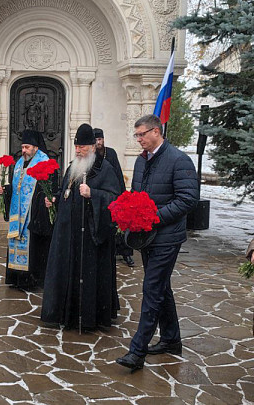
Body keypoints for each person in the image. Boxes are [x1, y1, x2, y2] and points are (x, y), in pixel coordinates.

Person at [116, 114, 199, 371]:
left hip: (167, 237)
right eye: (136, 135)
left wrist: (153, 217)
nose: (139, 139)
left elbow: (188, 199)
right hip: (147, 235)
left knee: (152, 288)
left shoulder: (179, 160)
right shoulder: (142, 161)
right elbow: (139, 195)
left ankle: (137, 351)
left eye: (142, 134)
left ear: (156, 132)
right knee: (161, 288)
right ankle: (172, 339)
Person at [40, 123, 120, 330]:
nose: (78, 151)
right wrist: (55, 199)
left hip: (90, 238)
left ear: (93, 147)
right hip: (68, 233)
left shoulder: (105, 169)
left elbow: (115, 199)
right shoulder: (72, 167)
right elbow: (65, 191)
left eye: (82, 147)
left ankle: (88, 317)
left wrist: (93, 194)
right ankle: (64, 313)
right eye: (76, 147)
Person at [0, 130, 57, 289]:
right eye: (22, 147)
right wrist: (5, 191)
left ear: (36, 148)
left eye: (27, 147)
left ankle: (31, 280)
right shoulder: (18, 164)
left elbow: (49, 189)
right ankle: (17, 279)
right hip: (19, 213)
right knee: (15, 243)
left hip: (34, 214)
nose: (23, 150)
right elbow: (16, 188)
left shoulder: (44, 162)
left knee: (34, 248)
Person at [94, 128, 134, 267]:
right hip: (100, 197)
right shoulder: (91, 155)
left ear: (103, 139)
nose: (98, 142)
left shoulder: (110, 153)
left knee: (121, 225)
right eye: (96, 140)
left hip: (113, 192)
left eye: (100, 139)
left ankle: (126, 253)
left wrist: (122, 195)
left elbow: (117, 173)